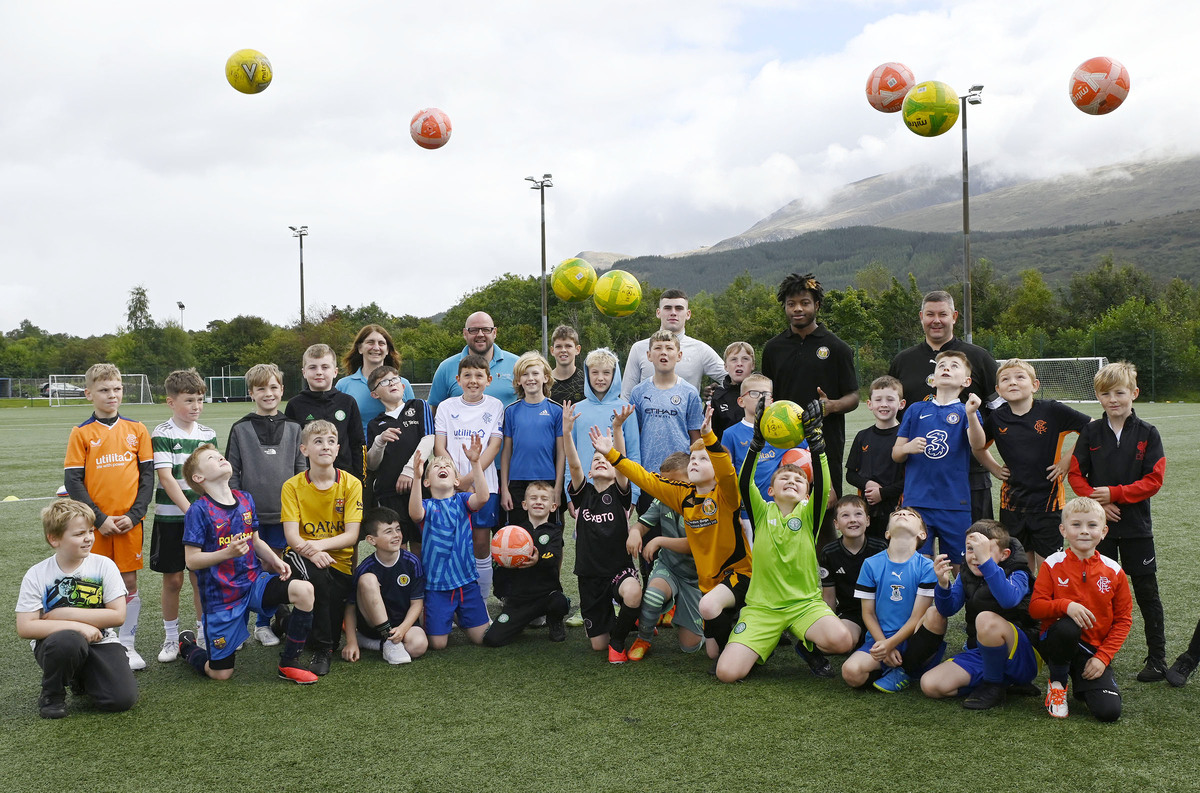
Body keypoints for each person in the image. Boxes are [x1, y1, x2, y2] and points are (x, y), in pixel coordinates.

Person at [595, 406, 751, 664]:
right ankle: (647, 635)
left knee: (706, 644)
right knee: (709, 651)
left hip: (735, 575)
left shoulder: (726, 494)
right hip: (705, 581)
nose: (695, 462)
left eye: (703, 460)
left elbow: (726, 470)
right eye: (692, 459)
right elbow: (646, 479)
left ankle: (742, 634)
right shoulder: (683, 495)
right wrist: (611, 454)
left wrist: (710, 439)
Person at [716, 397, 855, 683]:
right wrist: (755, 445)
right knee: (727, 673)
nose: (792, 480)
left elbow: (825, 482)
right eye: (784, 478)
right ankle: (758, 643)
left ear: (807, 493)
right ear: (770, 490)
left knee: (842, 641)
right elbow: (744, 482)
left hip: (804, 605)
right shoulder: (760, 510)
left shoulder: (809, 515)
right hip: (762, 608)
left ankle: (805, 643)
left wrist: (817, 443)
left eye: (799, 479)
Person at [177, 445, 319, 685]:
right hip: (222, 597)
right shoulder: (198, 510)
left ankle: (289, 663)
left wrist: (274, 560)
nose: (220, 458)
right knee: (220, 673)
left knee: (304, 590)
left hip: (254, 582)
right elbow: (191, 560)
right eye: (211, 458)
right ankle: (187, 647)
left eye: (220, 455)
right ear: (198, 478)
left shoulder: (245, 499)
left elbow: (255, 540)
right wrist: (227, 553)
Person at [1067, 361, 1168, 682]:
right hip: (1099, 531)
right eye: (1105, 393)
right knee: (1097, 592)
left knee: (1146, 591)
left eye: (1120, 393)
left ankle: (1157, 658)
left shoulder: (1148, 434)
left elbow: (1154, 480)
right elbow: (1075, 474)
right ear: (1098, 397)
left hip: (1137, 528)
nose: (1113, 399)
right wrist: (1099, 506)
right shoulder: (1091, 431)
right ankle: (1096, 654)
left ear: (1134, 394)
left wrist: (1114, 494)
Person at [62, 362, 154, 671]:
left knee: (128, 580)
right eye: (103, 390)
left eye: (116, 389)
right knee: (93, 580)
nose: (111, 395)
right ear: (89, 393)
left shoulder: (137, 430)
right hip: (95, 525)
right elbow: (73, 481)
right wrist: (98, 519)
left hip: (129, 523)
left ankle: (127, 644)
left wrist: (136, 514)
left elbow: (147, 477)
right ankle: (103, 638)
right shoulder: (82, 433)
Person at [15, 500, 138, 719]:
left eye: (91, 531)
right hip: (58, 644)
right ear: (54, 539)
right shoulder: (37, 574)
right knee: (69, 640)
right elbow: (25, 627)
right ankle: (52, 694)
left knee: (121, 700)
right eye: (80, 533)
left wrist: (64, 613)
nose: (89, 538)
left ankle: (79, 678)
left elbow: (118, 615)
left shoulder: (104, 565)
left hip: (102, 640)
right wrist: (76, 626)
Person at [888, 290, 1000, 521]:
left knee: (974, 543)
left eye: (943, 314)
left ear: (954, 316)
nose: (936, 320)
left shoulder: (979, 357)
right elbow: (892, 415)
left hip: (970, 473)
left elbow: (1002, 412)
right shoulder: (903, 361)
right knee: (918, 544)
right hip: (919, 475)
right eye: (930, 314)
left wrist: (990, 456)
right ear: (921, 317)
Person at [972, 359, 1091, 571]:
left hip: (1049, 502)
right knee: (1018, 565)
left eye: (1020, 377)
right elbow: (978, 447)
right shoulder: (997, 418)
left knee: (1048, 567)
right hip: (1012, 504)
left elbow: (1091, 429)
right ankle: (1024, 604)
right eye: (1006, 379)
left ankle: (1047, 603)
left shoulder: (1052, 410)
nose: (1013, 382)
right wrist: (995, 468)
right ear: (998, 390)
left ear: (1035, 385)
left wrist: (1066, 461)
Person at [761, 273, 859, 523]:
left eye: (804, 302)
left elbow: (854, 397)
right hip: (783, 444)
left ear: (816, 305)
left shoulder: (837, 348)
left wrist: (831, 406)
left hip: (825, 445)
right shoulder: (773, 348)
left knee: (824, 512)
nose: (797, 309)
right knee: (784, 509)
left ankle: (821, 563)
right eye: (791, 304)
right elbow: (767, 391)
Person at [226, 363, 307, 646]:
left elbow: (301, 473)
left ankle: (268, 621)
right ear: (251, 393)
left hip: (286, 516)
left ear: (282, 390)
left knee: (279, 568)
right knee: (251, 569)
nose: (268, 393)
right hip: (252, 517)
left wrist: (297, 509)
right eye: (261, 388)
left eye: (273, 387)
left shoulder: (296, 428)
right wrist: (239, 509)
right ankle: (248, 625)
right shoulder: (240, 428)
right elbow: (231, 474)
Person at [1029, 496, 1131, 721]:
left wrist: (1103, 657)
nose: (1084, 531)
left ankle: (1079, 679)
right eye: (1076, 525)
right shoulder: (1052, 564)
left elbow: (1124, 620)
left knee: (1108, 712)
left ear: (1103, 531)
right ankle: (1058, 684)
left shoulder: (1114, 571)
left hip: (1092, 651)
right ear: (1063, 530)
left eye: (1092, 525)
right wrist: (1066, 605)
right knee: (1067, 626)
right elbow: (1035, 608)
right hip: (1057, 641)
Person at [918, 520, 1039, 710]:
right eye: (971, 549)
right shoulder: (967, 572)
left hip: (1022, 654)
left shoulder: (1018, 571)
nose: (976, 557)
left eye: (984, 551)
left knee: (985, 618)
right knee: (930, 685)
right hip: (983, 652)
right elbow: (947, 609)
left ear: (1004, 554)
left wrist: (987, 564)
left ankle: (993, 685)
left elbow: (1009, 599)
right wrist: (942, 585)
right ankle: (1004, 681)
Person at [280, 420, 364, 676]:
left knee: (332, 593)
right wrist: (313, 553)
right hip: (300, 556)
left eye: (330, 442)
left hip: (337, 559)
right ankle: (324, 649)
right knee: (318, 577)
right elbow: (292, 537)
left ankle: (286, 623)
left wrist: (318, 548)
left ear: (337, 449)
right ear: (304, 450)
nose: (325, 447)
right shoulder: (292, 486)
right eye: (318, 441)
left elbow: (351, 536)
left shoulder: (351, 484)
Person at [892, 351, 986, 568]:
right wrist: (908, 447)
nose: (946, 368)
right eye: (941, 365)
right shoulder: (916, 410)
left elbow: (977, 444)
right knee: (920, 565)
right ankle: (927, 603)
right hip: (918, 502)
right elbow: (896, 454)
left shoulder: (966, 411)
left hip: (954, 502)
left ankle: (956, 602)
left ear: (966, 381)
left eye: (954, 366)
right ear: (932, 379)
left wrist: (972, 414)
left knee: (959, 566)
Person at [149, 368, 216, 665]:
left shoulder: (208, 435)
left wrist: (206, 512)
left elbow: (210, 475)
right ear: (171, 402)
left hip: (200, 520)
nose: (196, 406)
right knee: (173, 580)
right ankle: (170, 636)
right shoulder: (162, 433)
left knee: (200, 578)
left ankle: (203, 634)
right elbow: (167, 478)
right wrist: (192, 512)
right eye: (189, 400)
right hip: (171, 519)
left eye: (200, 400)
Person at [567, 406, 641, 662]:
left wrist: (618, 430)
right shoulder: (583, 492)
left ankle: (619, 640)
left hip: (618, 571)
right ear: (589, 473)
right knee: (598, 645)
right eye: (596, 460)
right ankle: (620, 621)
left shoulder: (620, 493)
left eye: (606, 461)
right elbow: (574, 466)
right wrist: (567, 433)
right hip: (589, 576)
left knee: (632, 593)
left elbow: (621, 462)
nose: (601, 460)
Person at [840, 508, 937, 692]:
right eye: (896, 515)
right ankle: (892, 667)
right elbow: (867, 614)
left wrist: (890, 645)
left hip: (912, 639)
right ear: (887, 533)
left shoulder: (926, 567)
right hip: (879, 638)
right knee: (851, 673)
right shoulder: (871, 564)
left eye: (911, 515)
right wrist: (884, 645)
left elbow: (918, 617)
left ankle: (909, 667)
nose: (902, 515)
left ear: (922, 534)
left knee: (933, 617)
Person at [408, 439, 493, 650]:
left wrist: (475, 463)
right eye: (436, 467)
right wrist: (416, 477)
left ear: (456, 480)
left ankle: (460, 616)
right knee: (438, 644)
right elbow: (415, 513)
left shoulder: (463, 501)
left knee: (482, 638)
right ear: (428, 482)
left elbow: (482, 497)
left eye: (447, 467)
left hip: (466, 583)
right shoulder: (426, 506)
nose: (442, 467)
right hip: (437, 587)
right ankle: (450, 615)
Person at [433, 354, 505, 599]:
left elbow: (494, 446)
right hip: (449, 488)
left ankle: (481, 603)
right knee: (454, 545)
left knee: (481, 544)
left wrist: (468, 480)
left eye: (478, 375)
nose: (473, 380)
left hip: (484, 486)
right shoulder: (446, 406)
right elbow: (439, 447)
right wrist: (456, 481)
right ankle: (455, 599)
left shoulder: (495, 406)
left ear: (489, 379)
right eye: (467, 375)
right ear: (458, 379)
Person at [625, 452, 705, 661]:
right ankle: (644, 638)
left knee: (690, 647)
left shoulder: (704, 503)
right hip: (669, 567)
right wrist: (634, 533)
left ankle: (687, 615)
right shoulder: (663, 499)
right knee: (652, 595)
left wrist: (659, 541)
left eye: (676, 482)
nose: (670, 488)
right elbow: (641, 525)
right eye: (666, 482)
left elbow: (693, 545)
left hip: (697, 579)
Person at [484, 481, 571, 646]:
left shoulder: (554, 532)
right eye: (533, 498)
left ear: (553, 507)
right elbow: (500, 562)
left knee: (558, 601)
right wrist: (500, 560)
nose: (538, 501)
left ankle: (555, 620)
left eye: (544, 499)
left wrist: (538, 560)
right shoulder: (514, 532)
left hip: (546, 595)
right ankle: (519, 621)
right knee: (492, 639)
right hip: (519, 599)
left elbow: (553, 558)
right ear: (524, 504)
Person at [628, 329, 704, 513]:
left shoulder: (689, 393)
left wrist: (693, 469)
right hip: (649, 475)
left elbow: (696, 436)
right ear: (649, 355)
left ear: (678, 355)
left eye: (669, 348)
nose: (663, 352)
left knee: (681, 532)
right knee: (649, 529)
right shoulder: (638, 392)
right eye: (658, 348)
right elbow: (633, 435)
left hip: (681, 476)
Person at [341, 507, 428, 665]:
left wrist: (402, 629)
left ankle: (376, 644)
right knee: (368, 580)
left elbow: (417, 603)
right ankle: (386, 640)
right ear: (371, 540)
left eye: (398, 529)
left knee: (419, 646)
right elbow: (350, 607)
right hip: (372, 627)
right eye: (388, 531)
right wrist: (351, 642)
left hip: (403, 624)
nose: (396, 535)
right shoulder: (365, 568)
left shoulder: (411, 562)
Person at [365, 365, 434, 552]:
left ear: (403, 385)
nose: (392, 383)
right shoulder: (375, 424)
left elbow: (429, 439)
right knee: (396, 546)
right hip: (388, 493)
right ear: (375, 394)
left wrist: (410, 471)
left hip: (419, 490)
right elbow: (371, 464)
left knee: (421, 545)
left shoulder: (418, 406)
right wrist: (380, 442)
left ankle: (420, 581)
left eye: (395, 379)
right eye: (384, 382)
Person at [563, 349, 641, 505]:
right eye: (595, 372)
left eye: (606, 373)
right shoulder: (577, 410)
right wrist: (569, 493)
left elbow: (633, 454)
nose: (600, 378)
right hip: (583, 491)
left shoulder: (626, 410)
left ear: (614, 375)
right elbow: (570, 455)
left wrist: (633, 495)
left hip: (617, 491)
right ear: (587, 374)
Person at [621, 289, 725, 399]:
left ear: (688, 314)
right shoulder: (639, 348)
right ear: (658, 313)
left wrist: (719, 393)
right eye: (667, 308)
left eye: (679, 308)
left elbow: (731, 378)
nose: (673, 312)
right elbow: (627, 395)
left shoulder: (701, 349)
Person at [284, 343, 365, 481]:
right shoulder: (295, 405)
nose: (319, 372)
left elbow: (358, 444)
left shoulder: (347, 402)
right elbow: (291, 447)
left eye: (325, 367)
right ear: (304, 372)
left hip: (344, 480)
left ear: (335, 371)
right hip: (308, 481)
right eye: (313, 367)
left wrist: (359, 479)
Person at [501, 351, 564, 527]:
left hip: (547, 482)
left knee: (549, 538)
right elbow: (506, 453)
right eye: (525, 374)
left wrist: (557, 488)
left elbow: (561, 453)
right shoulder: (511, 411)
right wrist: (505, 489)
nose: (530, 378)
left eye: (535, 373)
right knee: (519, 536)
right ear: (518, 381)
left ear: (545, 377)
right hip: (517, 484)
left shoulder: (556, 411)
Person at [819, 495, 888, 649]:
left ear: (868, 520)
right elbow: (829, 596)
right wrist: (828, 626)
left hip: (880, 613)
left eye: (858, 514)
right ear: (836, 524)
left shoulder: (880, 548)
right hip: (851, 613)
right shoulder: (829, 553)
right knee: (840, 643)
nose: (852, 519)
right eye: (845, 515)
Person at [845, 376, 906, 540]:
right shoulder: (862, 436)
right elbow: (850, 475)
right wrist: (867, 484)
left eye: (890, 399)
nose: (884, 404)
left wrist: (882, 493)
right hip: (867, 511)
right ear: (869, 404)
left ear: (901, 404)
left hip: (897, 510)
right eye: (878, 399)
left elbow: (911, 479)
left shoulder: (905, 438)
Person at [336, 324, 415, 435]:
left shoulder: (402, 384)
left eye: (381, 343)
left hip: (398, 449)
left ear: (387, 350)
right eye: (370, 342)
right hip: (360, 451)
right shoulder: (344, 385)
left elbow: (414, 423)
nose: (376, 347)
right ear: (360, 348)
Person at [428, 311, 518, 406]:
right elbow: (434, 409)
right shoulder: (446, 368)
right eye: (473, 330)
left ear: (494, 332)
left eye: (486, 329)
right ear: (465, 333)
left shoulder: (517, 364)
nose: (480, 334)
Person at [709, 341, 755, 441]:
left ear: (753, 365)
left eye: (745, 359)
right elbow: (711, 434)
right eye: (734, 359)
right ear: (725, 366)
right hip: (727, 453)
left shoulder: (763, 391)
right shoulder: (718, 397)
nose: (739, 364)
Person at [549, 324, 587, 406]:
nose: (563, 350)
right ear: (552, 350)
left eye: (568, 346)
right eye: (558, 346)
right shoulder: (544, 382)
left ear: (577, 349)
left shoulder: (586, 382)